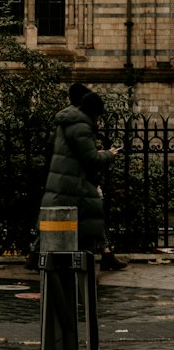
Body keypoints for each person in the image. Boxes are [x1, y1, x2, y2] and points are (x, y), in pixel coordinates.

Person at [37, 85, 123, 271]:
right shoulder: (79, 124)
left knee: (61, 215)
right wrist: (108, 154)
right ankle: (96, 257)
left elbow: (62, 149)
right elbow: (89, 157)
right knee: (89, 215)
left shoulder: (67, 119)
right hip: (73, 180)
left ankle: (106, 254)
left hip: (62, 176)